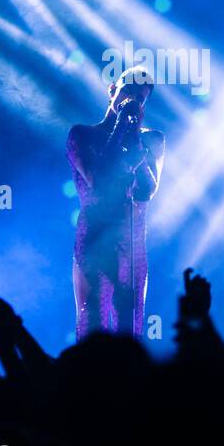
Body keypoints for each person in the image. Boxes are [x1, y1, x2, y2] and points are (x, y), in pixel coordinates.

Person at [67, 67, 165, 339]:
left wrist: (133, 134)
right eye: (128, 91)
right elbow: (98, 180)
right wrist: (123, 123)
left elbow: (147, 190)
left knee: (129, 330)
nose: (133, 99)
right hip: (95, 239)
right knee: (92, 324)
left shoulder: (152, 139)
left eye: (140, 98)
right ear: (112, 89)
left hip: (132, 243)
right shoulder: (82, 135)